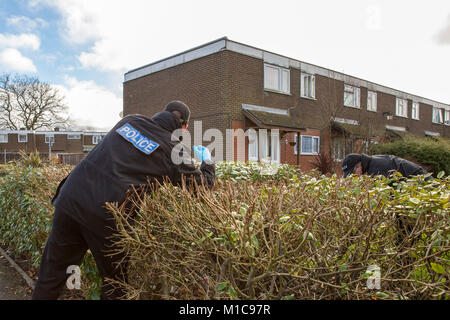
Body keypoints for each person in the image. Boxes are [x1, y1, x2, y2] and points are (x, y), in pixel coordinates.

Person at [32, 101, 215, 300]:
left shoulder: (129, 121)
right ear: (184, 127)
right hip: (107, 216)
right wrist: (208, 162)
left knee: (51, 275)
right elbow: (201, 187)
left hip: (71, 199)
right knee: (115, 285)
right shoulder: (174, 150)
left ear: (161, 113)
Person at [342, 153, 431, 180]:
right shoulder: (371, 163)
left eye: (353, 172)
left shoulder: (376, 169)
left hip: (423, 181)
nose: (354, 176)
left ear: (359, 165)